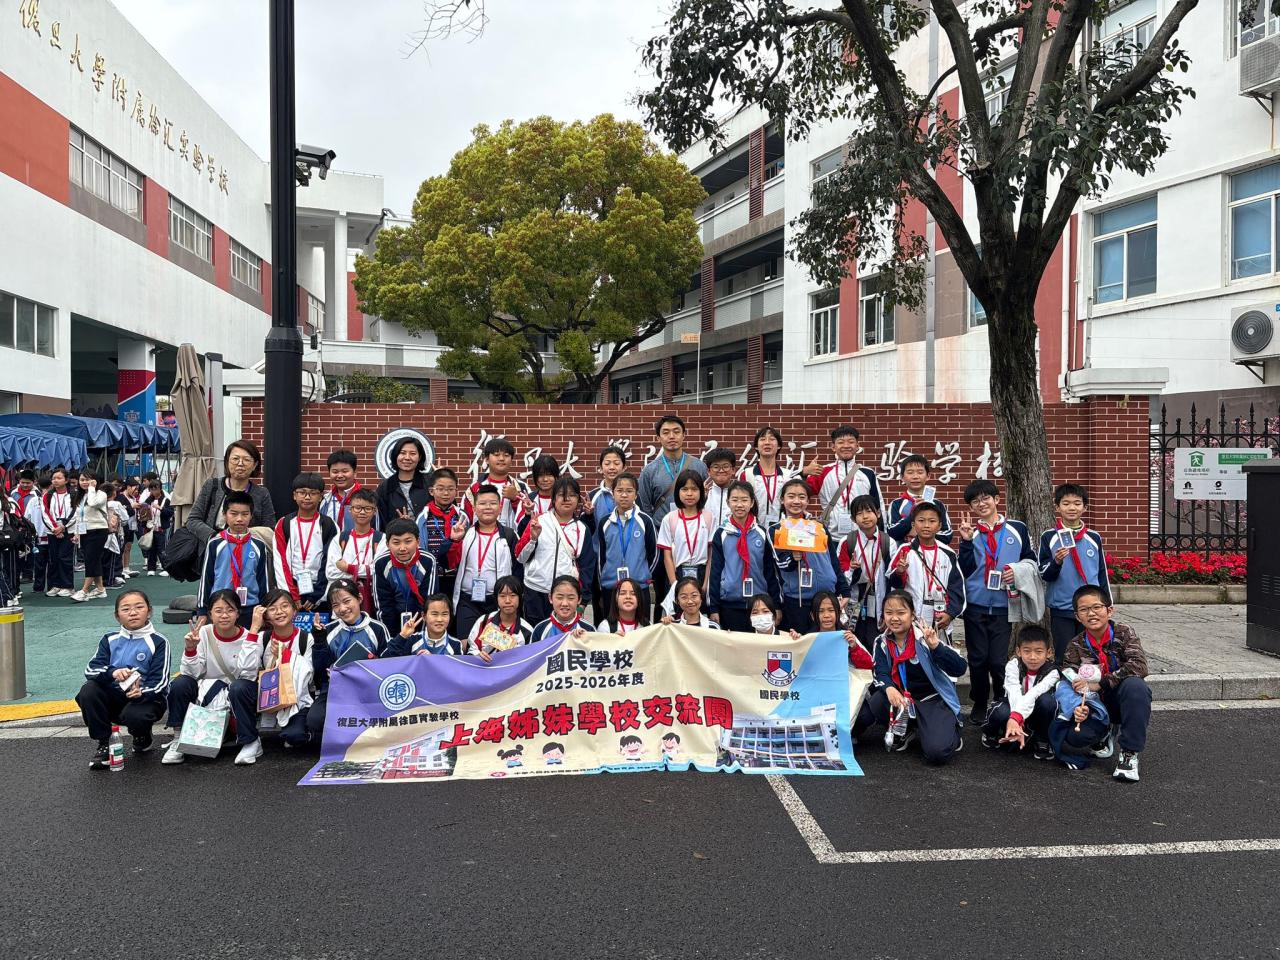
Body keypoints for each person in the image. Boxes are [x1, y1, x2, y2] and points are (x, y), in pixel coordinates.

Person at [1050, 585, 1152, 782]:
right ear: (1077, 616)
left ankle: (1129, 754)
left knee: (1136, 687)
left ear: (1109, 610)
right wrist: (1077, 692)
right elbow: (1068, 672)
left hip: (1120, 699)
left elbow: (1139, 666)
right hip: (1094, 703)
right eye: (1084, 609)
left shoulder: (1124, 633)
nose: (1091, 613)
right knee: (1075, 737)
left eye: (1097, 607)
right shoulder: (1075, 644)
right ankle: (1104, 733)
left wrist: (1102, 684)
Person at [955, 479, 1037, 724]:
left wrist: (1017, 572)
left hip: (1004, 604)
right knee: (978, 658)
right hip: (976, 605)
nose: (981, 504)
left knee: (998, 660)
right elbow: (964, 570)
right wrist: (966, 542)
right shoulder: (971, 533)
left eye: (985, 498)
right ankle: (980, 701)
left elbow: (1030, 560)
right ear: (971, 507)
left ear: (996, 499)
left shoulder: (1017, 529)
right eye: (975, 501)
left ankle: (1001, 700)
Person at [852, 589, 967, 764]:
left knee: (937, 753)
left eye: (901, 613)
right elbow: (880, 672)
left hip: (931, 700)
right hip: (903, 700)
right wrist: (889, 688)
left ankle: (951, 731)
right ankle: (906, 731)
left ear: (912, 614)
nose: (894, 618)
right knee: (877, 701)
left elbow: (960, 668)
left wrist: (936, 647)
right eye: (889, 613)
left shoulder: (925, 637)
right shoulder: (881, 641)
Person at [162, 589, 264, 766]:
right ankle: (178, 738)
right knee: (180, 683)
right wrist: (190, 649)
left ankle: (251, 741)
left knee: (240, 686)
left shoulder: (250, 637)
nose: (224, 615)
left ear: (238, 613)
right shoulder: (203, 633)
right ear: (210, 614)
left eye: (230, 610)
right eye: (218, 610)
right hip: (207, 697)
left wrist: (253, 633)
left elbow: (248, 674)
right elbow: (191, 674)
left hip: (236, 696)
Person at [76, 589, 170, 768]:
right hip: (115, 697)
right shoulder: (109, 639)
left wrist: (142, 692)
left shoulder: (158, 642)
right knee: (88, 690)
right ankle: (104, 743)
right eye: (126, 609)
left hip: (145, 699)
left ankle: (141, 735)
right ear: (117, 616)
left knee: (136, 716)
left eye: (139, 607)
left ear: (149, 611)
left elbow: (161, 681)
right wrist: (112, 672)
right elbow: (91, 669)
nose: (133, 613)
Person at [306, 578, 391, 743]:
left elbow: (388, 664)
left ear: (359, 598)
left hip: (369, 688)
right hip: (336, 689)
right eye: (336, 605)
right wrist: (319, 640)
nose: (342, 609)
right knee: (315, 721)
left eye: (347, 601)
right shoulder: (328, 630)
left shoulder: (377, 628)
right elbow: (320, 670)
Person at [1039, 483, 1111, 665]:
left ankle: (1091, 683)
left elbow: (1101, 572)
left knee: (1092, 654)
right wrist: (1056, 562)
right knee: (1064, 655)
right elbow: (1044, 574)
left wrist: (1107, 603)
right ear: (1057, 507)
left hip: (1092, 608)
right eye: (1066, 503)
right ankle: (1064, 683)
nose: (1072, 508)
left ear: (1085, 507)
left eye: (1077, 503)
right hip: (1062, 607)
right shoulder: (1049, 537)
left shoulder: (1093, 537)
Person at [516, 474, 595, 625]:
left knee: (563, 636)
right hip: (536, 591)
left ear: (578, 500)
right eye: (561, 495)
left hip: (565, 597)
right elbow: (520, 556)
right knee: (536, 636)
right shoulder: (538, 521)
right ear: (553, 499)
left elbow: (587, 566)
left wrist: (583, 601)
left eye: (572, 495)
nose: (566, 499)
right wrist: (532, 539)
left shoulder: (582, 529)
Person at [772, 477, 848, 633]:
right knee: (800, 642)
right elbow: (780, 564)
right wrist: (793, 558)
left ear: (807, 501)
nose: (796, 501)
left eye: (802, 497)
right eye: (791, 496)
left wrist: (844, 589)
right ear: (782, 500)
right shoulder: (776, 529)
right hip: (797, 600)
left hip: (826, 598)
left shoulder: (819, 527)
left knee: (825, 642)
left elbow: (833, 561)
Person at [708, 480, 781, 632]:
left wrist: (776, 605)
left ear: (752, 502)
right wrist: (714, 607)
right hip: (730, 602)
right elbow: (715, 571)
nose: (739, 505)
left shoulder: (761, 533)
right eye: (735, 500)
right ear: (728, 502)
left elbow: (770, 571)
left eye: (744, 500)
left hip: (759, 604)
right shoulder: (721, 533)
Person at [196, 491, 273, 629]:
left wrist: (264, 608)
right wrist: (202, 610)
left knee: (250, 640)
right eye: (234, 514)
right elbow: (206, 578)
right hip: (222, 607)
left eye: (245, 514)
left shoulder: (259, 545)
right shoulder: (215, 544)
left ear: (251, 515)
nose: (239, 519)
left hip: (250, 606)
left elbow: (263, 580)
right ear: (224, 514)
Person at [451, 485, 519, 640]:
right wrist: (454, 541)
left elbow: (518, 568)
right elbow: (448, 561)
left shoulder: (509, 535)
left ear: (500, 508)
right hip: (468, 600)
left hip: (496, 602)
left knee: (494, 646)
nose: (488, 507)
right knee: (465, 643)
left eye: (493, 503)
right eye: (482, 503)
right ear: (474, 508)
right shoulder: (464, 533)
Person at [981, 625, 1058, 760]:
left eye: (1039, 652)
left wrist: (1016, 718)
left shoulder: (1053, 672)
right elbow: (1014, 691)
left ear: (1049, 652)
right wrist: (1015, 719)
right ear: (1018, 651)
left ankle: (1043, 739)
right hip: (1012, 704)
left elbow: (1034, 693)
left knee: (1048, 702)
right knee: (1000, 711)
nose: (1032, 657)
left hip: (1035, 708)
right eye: (1027, 651)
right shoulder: (1013, 665)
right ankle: (990, 732)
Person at [887, 502, 966, 633]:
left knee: (939, 646)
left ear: (939, 525)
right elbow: (894, 585)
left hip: (941, 615)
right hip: (911, 615)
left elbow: (956, 587)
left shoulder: (948, 553)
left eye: (932, 521)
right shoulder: (905, 550)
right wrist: (899, 572)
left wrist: (950, 614)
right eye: (921, 521)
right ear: (913, 525)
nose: (926, 525)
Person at [254, 589, 315, 748]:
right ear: (266, 615)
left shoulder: (305, 638)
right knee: (240, 688)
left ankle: (295, 726)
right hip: (267, 697)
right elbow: (245, 670)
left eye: (284, 606)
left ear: (294, 610)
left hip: (296, 699)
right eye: (273, 608)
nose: (279, 612)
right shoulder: (262, 638)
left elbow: (309, 676)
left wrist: (286, 654)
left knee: (295, 737)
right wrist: (254, 628)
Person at [186, 440, 277, 547]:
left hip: (247, 550)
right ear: (227, 462)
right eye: (235, 459)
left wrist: (241, 536)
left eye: (246, 460)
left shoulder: (261, 493)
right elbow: (192, 520)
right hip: (211, 548)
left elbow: (269, 529)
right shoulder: (212, 486)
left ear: (255, 465)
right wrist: (215, 537)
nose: (240, 463)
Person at [802, 424, 883, 539]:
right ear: (833, 447)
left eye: (851, 442)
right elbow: (796, 493)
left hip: (863, 536)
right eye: (840, 442)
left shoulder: (867, 473)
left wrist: (881, 534)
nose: (846, 446)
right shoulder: (822, 472)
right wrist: (803, 473)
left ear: (857, 446)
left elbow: (879, 505)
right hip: (831, 536)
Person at [273, 473, 340, 611]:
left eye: (313, 493)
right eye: (302, 492)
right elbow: (280, 561)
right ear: (294, 495)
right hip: (292, 589)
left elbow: (331, 561)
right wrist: (291, 595)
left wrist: (319, 594)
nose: (307, 497)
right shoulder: (284, 523)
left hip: (320, 591)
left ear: (321, 496)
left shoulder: (329, 525)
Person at [594, 473, 658, 615]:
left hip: (639, 587)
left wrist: (644, 574)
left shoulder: (645, 521)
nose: (624, 495)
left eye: (629, 491)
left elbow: (654, 554)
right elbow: (601, 558)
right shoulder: (605, 522)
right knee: (612, 626)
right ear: (613, 494)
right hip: (611, 587)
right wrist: (602, 585)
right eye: (619, 491)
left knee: (641, 626)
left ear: (636, 495)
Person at [372, 518, 440, 640]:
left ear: (418, 541)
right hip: (393, 622)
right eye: (396, 543)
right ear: (387, 544)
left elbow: (428, 602)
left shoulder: (428, 561)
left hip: (421, 624)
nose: (402, 548)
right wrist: (395, 638)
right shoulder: (381, 563)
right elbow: (383, 605)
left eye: (408, 541)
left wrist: (420, 636)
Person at [656, 469, 710, 615]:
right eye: (685, 489)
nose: (689, 493)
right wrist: (674, 582)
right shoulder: (670, 518)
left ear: (701, 492)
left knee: (699, 618)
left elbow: (711, 553)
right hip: (677, 573)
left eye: (694, 489)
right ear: (677, 492)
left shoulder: (708, 517)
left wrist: (706, 582)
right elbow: (667, 555)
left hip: (701, 573)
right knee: (676, 617)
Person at [840, 494, 890, 652]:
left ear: (878, 513)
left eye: (869, 511)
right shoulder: (847, 542)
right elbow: (840, 578)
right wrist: (851, 569)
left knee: (876, 640)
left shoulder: (888, 542)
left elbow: (891, 578)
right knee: (854, 640)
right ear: (853, 519)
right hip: (856, 598)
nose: (865, 516)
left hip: (879, 596)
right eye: (859, 513)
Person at [638, 415, 709, 524]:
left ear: (684, 435)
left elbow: (707, 499)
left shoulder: (699, 466)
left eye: (676, 432)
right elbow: (644, 506)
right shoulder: (649, 471)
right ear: (658, 438)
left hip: (694, 528)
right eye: (666, 433)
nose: (671, 436)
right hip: (660, 529)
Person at [325, 487, 383, 612]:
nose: (362, 512)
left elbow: (379, 570)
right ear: (350, 510)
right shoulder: (340, 538)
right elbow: (331, 573)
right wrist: (364, 573)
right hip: (343, 603)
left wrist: (348, 568)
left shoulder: (381, 539)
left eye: (368, 508)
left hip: (372, 601)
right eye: (358, 508)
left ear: (374, 511)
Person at [415, 467, 467, 598]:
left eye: (450, 489)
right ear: (431, 491)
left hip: (457, 575)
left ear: (456, 491)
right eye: (440, 489)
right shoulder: (423, 517)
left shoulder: (462, 517)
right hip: (432, 574)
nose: (446, 493)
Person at [886, 454, 952, 545]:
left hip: (933, 553)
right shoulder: (896, 504)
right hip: (904, 553)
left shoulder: (937, 504)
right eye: (910, 472)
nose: (915, 476)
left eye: (920, 472)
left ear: (928, 476)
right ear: (902, 477)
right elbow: (892, 533)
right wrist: (913, 514)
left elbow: (947, 536)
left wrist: (919, 533)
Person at [799, 590, 874, 669]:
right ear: (812, 616)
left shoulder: (847, 637)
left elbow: (869, 665)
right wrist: (797, 642)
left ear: (839, 612)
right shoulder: (808, 639)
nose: (826, 615)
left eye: (831, 610)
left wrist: (854, 648)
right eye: (820, 611)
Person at [464, 437, 528, 530]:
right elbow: (465, 521)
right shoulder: (474, 488)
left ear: (511, 460)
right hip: (481, 537)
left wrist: (516, 499)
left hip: (512, 538)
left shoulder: (521, 487)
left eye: (506, 455)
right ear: (486, 459)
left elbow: (530, 519)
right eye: (496, 455)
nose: (501, 459)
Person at [466, 575, 535, 659]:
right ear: (496, 598)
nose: (507, 601)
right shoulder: (483, 621)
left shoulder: (528, 631)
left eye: (513, 595)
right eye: (502, 596)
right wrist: (477, 655)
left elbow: (530, 660)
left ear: (520, 598)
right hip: (483, 667)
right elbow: (470, 650)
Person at [739, 426, 794, 528]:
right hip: (752, 529)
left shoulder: (787, 475)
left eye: (772, 439)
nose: (767, 443)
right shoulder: (747, 474)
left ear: (778, 446)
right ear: (756, 446)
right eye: (763, 439)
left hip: (782, 529)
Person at [70, 470, 110, 603]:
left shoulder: (101, 494)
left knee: (91, 560)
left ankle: (85, 590)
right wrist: (76, 533)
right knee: (93, 560)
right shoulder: (80, 496)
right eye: (82, 480)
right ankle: (100, 589)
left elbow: (93, 503)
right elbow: (78, 516)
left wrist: (92, 488)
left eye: (87, 480)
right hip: (84, 532)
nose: (84, 482)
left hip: (98, 530)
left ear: (95, 480)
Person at [374, 435, 431, 528]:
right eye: (402, 453)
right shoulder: (385, 487)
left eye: (412, 453)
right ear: (396, 455)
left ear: (420, 457)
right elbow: (381, 522)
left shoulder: (430, 482)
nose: (407, 458)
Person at [41, 467, 76, 597]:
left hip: (69, 530)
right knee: (54, 558)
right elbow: (45, 513)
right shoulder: (48, 495)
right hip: (53, 530)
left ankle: (68, 586)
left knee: (65, 557)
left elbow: (76, 512)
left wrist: (64, 527)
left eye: (59, 478)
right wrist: (55, 529)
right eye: (54, 478)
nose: (55, 480)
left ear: (66, 480)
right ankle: (55, 585)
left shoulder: (74, 494)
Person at [390, 594, 462, 656]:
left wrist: (431, 660)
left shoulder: (456, 645)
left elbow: (457, 667)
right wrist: (402, 636)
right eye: (434, 614)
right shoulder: (413, 640)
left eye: (444, 614)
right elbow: (389, 660)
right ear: (424, 616)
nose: (439, 619)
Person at [529, 575, 594, 643]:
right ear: (550, 598)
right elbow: (532, 650)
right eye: (559, 598)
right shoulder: (540, 629)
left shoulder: (588, 629)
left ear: (579, 599)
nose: (565, 604)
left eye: (571, 598)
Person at [319, 449, 366, 535]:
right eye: (335, 472)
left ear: (355, 473)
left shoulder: (367, 500)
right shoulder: (325, 501)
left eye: (345, 471)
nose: (340, 475)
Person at [585, 445, 627, 531]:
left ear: (624, 468)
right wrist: (588, 516)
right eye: (607, 463)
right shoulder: (592, 496)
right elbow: (585, 530)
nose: (612, 467)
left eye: (616, 463)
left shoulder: (632, 495)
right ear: (601, 468)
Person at [139, 480, 172, 576]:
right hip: (150, 528)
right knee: (151, 549)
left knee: (162, 549)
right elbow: (144, 515)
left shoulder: (166, 500)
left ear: (160, 489)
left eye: (156, 489)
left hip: (161, 528)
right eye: (152, 489)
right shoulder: (148, 501)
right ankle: (151, 568)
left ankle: (166, 568)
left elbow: (170, 512)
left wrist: (160, 508)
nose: (154, 491)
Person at [12, 469, 39, 587]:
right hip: (15, 526)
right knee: (18, 550)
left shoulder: (37, 494)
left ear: (34, 482)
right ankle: (18, 573)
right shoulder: (12, 493)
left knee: (30, 550)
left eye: (28, 483)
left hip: (30, 526)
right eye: (23, 482)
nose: (25, 485)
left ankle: (28, 574)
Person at [702, 447, 737, 532]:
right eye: (716, 467)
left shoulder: (740, 494)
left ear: (733, 470)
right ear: (709, 471)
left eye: (725, 466)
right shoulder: (702, 494)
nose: (721, 470)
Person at [525, 453, 560, 517]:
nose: (545, 479)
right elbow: (519, 523)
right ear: (535, 477)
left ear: (556, 477)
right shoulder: (528, 500)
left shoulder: (562, 499)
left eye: (549, 475)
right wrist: (528, 514)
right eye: (541, 475)